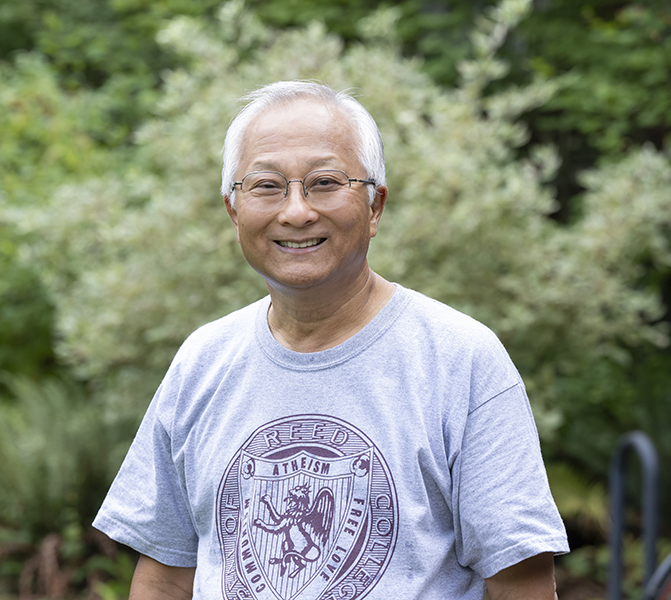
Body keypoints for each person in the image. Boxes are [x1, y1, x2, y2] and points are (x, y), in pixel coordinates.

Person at [93, 80, 569, 600]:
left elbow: (521, 583)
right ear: (234, 210)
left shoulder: (461, 359)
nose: (296, 211)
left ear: (374, 205)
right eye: (266, 185)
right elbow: (164, 576)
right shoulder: (201, 362)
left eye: (324, 182)